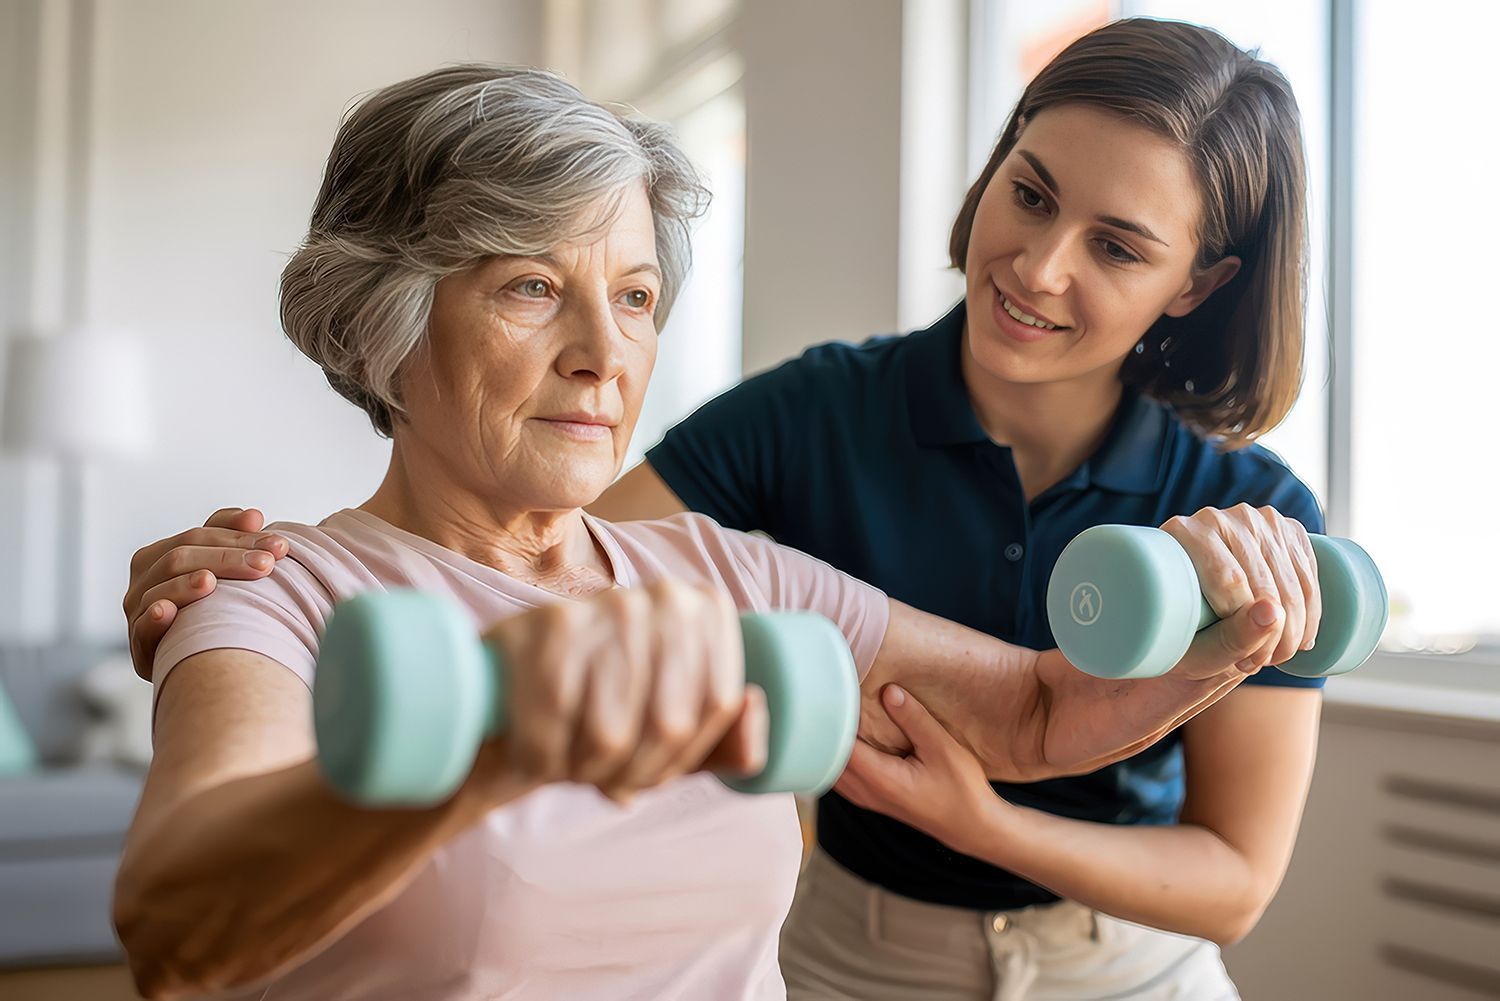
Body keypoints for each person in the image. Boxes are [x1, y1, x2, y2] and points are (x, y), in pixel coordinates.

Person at [110, 62, 1301, 1001]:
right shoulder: (271, 594)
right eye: (531, 285)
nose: (603, 353)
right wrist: (481, 751)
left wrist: (1218, 648)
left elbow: (1037, 710)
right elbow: (173, 932)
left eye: (633, 296)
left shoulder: (723, 575)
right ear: (388, 320)